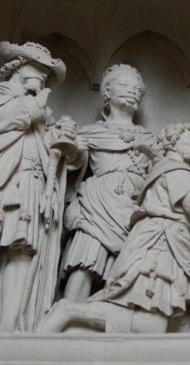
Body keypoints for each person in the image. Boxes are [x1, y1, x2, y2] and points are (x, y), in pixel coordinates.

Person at [39, 123, 190, 334]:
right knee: (148, 323)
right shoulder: (175, 171)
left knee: (152, 324)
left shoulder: (167, 170)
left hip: (166, 245)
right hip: (159, 248)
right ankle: (69, 312)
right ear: (173, 146)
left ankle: (73, 323)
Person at [0, 42, 85, 332]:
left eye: (48, 74)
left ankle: (11, 326)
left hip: (32, 185)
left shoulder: (44, 115)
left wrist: (70, 145)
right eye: (39, 69)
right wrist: (34, 108)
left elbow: (62, 156)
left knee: (23, 251)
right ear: (17, 66)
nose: (44, 77)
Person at [59, 65, 153, 302]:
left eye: (137, 88)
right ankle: (64, 316)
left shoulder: (149, 139)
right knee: (86, 261)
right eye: (124, 85)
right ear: (107, 93)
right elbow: (71, 167)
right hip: (98, 204)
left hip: (134, 207)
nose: (132, 91)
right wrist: (70, 145)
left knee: (129, 271)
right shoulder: (89, 133)